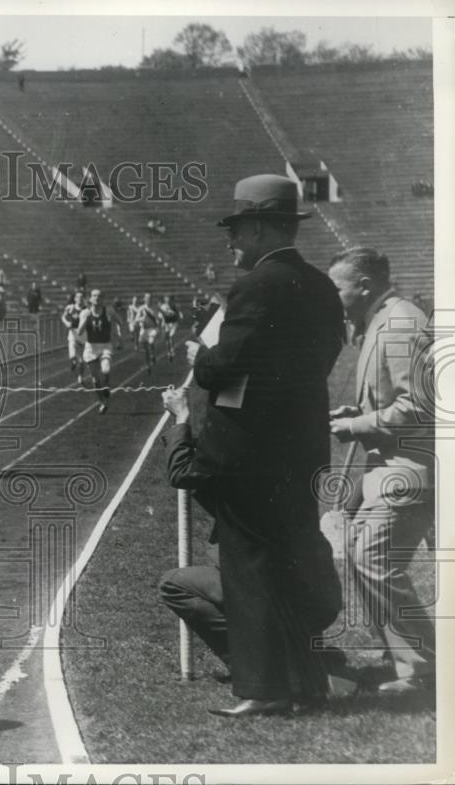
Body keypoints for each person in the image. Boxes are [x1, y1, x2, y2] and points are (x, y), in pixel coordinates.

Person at [180, 174, 345, 716]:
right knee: (288, 565)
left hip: (250, 458)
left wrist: (196, 360)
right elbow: (319, 363)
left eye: (235, 229)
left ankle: (262, 689)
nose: (231, 241)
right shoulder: (321, 286)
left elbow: (224, 367)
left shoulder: (255, 285)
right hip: (300, 453)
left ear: (256, 226)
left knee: (250, 575)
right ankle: (306, 681)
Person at [158, 386, 344, 696]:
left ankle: (261, 667)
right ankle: (303, 656)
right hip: (321, 595)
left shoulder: (235, 452)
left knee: (174, 583)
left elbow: (183, 473)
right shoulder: (288, 445)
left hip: (274, 594)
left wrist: (182, 418)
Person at [327, 247, 436, 694]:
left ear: (365, 285)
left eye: (338, 287)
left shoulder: (400, 324)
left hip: (412, 465)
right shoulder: (382, 321)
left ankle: (423, 667)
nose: (334, 297)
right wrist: (363, 410)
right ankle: (411, 660)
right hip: (391, 462)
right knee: (361, 553)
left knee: (373, 557)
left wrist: (355, 424)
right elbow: (394, 398)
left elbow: (419, 407)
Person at [77, 288, 122, 414]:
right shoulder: (85, 313)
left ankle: (107, 385)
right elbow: (80, 332)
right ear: (90, 299)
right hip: (91, 347)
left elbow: (120, 321)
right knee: (95, 380)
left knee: (106, 369)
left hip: (105, 345)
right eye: (94, 296)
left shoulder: (108, 311)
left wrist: (118, 336)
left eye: (99, 296)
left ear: (103, 299)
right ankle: (102, 402)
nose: (97, 298)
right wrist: (86, 319)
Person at [62, 290, 87, 385]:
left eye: (81, 297)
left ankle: (80, 375)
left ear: (83, 299)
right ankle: (73, 361)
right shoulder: (70, 308)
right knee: (72, 349)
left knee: (82, 360)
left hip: (84, 335)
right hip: (73, 333)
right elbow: (63, 317)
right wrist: (67, 323)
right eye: (78, 297)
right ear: (75, 299)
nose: (80, 299)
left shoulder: (87, 309)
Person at [136, 292, 161, 372]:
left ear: (152, 299)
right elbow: (136, 319)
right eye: (147, 298)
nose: (148, 299)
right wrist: (141, 318)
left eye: (150, 298)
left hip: (153, 328)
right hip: (144, 329)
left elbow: (161, 314)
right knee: (144, 348)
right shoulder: (141, 308)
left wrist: (161, 317)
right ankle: (147, 364)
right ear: (144, 299)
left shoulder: (155, 307)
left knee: (151, 342)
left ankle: (152, 354)